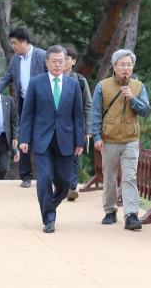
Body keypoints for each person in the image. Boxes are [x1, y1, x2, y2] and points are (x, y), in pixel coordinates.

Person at [19, 45, 84, 233]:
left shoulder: (73, 84)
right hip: (41, 139)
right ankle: (49, 218)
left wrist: (79, 142)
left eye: (61, 61)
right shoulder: (36, 83)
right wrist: (24, 139)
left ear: (66, 63)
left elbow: (78, 116)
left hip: (66, 140)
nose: (57, 64)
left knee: (65, 182)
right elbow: (27, 114)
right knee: (45, 178)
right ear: (46, 62)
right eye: (53, 61)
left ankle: (50, 206)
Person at [90, 49, 150, 230]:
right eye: (122, 65)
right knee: (109, 177)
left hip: (131, 139)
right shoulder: (102, 86)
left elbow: (145, 111)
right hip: (108, 139)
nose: (126, 68)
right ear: (114, 66)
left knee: (130, 177)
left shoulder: (139, 86)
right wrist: (97, 137)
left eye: (129, 65)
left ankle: (131, 215)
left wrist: (132, 98)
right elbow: (95, 114)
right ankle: (110, 210)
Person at [0, 28, 47, 188]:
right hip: (24, 104)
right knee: (25, 139)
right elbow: (6, 78)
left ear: (25, 42)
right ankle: (26, 177)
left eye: (15, 43)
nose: (13, 46)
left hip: (43, 105)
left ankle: (44, 175)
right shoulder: (15, 60)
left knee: (43, 140)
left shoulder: (42, 56)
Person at [63, 47, 92, 201]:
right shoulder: (51, 79)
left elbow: (88, 104)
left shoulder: (80, 81)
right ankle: (62, 186)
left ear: (74, 61)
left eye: (67, 58)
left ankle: (72, 188)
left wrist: (88, 129)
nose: (64, 61)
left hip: (75, 127)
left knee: (74, 157)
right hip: (57, 127)